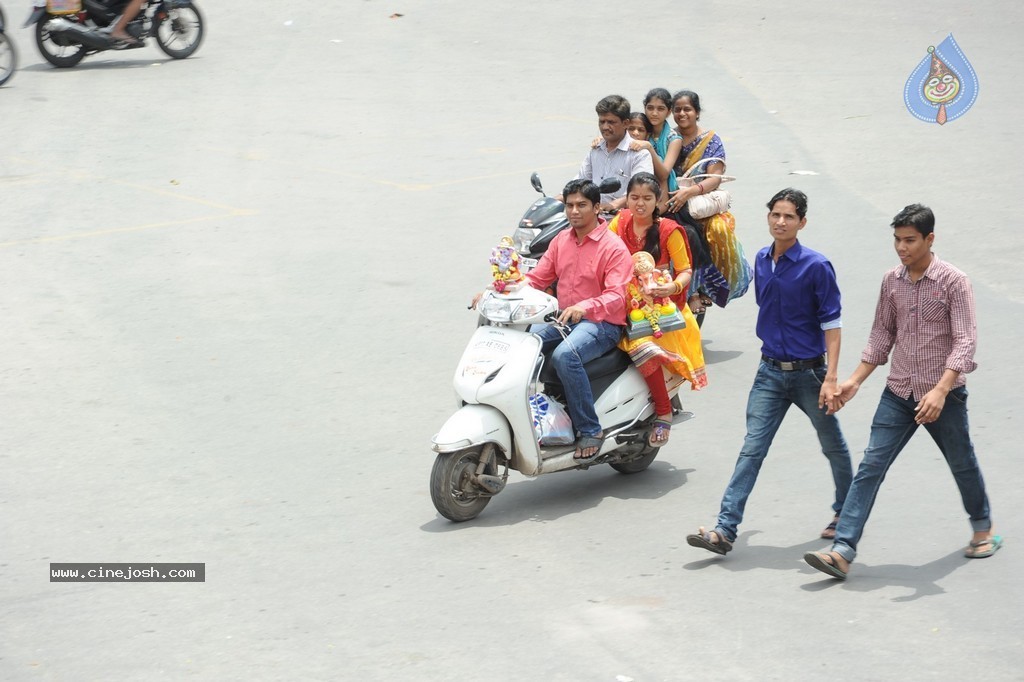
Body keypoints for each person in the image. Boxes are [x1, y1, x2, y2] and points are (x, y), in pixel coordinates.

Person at [804, 204, 1000, 580]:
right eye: (897, 240)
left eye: (909, 240)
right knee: (871, 467)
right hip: (898, 393)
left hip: (944, 397)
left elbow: (965, 341)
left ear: (930, 239)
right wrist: (854, 381)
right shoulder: (891, 280)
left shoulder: (954, 281)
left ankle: (982, 526)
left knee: (962, 462)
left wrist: (941, 391)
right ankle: (842, 550)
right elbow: (882, 335)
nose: (901, 248)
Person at [686, 188, 853, 556]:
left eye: (789, 216)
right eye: (775, 214)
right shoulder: (761, 260)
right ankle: (724, 530)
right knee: (752, 450)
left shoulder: (817, 266)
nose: (781, 222)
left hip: (810, 375)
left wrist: (831, 377)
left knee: (833, 447)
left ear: (802, 222)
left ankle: (847, 513)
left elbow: (833, 325)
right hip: (770, 374)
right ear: (768, 218)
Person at [475, 179, 632, 460]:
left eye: (582, 205)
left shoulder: (613, 247)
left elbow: (617, 296)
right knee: (524, 345)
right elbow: (537, 279)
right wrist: (498, 289)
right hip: (565, 319)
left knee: (564, 356)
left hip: (603, 323)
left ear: (597, 208)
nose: (574, 211)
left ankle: (590, 429)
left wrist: (585, 306)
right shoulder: (562, 240)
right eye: (570, 205)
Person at [608, 173, 707, 446]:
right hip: (623, 296)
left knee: (641, 346)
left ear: (658, 201)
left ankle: (663, 412)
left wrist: (672, 288)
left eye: (647, 198)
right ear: (626, 199)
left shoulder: (669, 231)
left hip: (659, 304)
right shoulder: (620, 222)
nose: (640, 204)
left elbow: (686, 270)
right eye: (634, 197)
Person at [665, 90, 750, 316]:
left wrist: (690, 191)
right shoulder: (669, 138)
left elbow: (716, 176)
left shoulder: (711, 140)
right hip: (673, 203)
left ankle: (707, 287)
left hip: (700, 203)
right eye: (677, 110)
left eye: (687, 109)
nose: (682, 114)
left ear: (697, 112)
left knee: (717, 230)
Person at [573, 95, 654, 213]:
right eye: (602, 122)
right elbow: (580, 182)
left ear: (626, 123)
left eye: (611, 122)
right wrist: (553, 202)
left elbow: (641, 192)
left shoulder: (640, 154)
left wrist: (613, 205)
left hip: (622, 220)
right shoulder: (595, 151)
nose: (605, 127)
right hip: (593, 217)